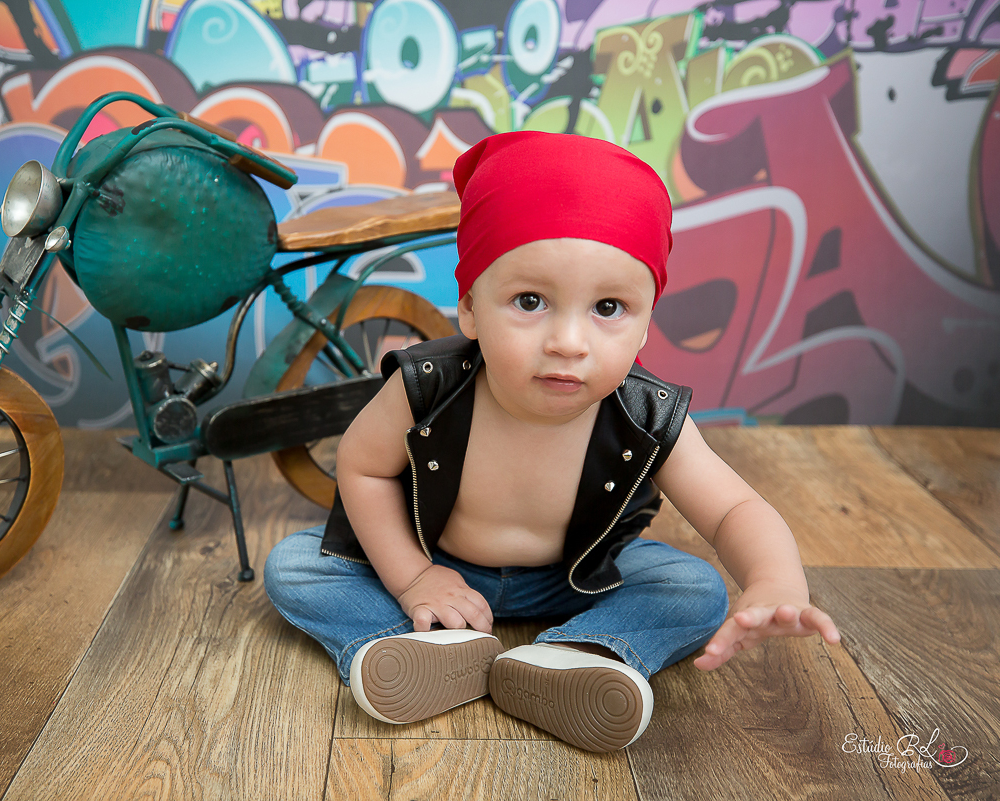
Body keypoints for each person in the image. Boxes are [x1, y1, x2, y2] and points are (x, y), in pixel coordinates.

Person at [263, 131, 841, 753]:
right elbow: (362, 467)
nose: (568, 341)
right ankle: (405, 645)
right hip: (438, 563)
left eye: (609, 307)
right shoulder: (427, 385)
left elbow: (734, 509)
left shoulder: (646, 412)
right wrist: (412, 580)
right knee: (296, 567)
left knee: (693, 589)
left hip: (572, 579)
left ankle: (577, 655)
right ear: (470, 309)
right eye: (530, 301)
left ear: (647, 324)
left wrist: (776, 581)